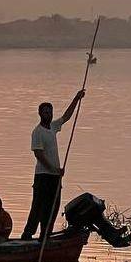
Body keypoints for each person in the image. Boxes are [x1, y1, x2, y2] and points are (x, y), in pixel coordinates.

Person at [19, 89, 85, 241]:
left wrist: (76, 98)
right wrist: (53, 169)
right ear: (40, 114)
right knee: (38, 206)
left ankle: (45, 235)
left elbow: (67, 116)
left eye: (50, 112)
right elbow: (38, 154)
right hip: (43, 176)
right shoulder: (37, 132)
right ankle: (28, 235)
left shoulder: (53, 128)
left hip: (55, 176)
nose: (48, 115)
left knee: (53, 207)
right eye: (45, 112)